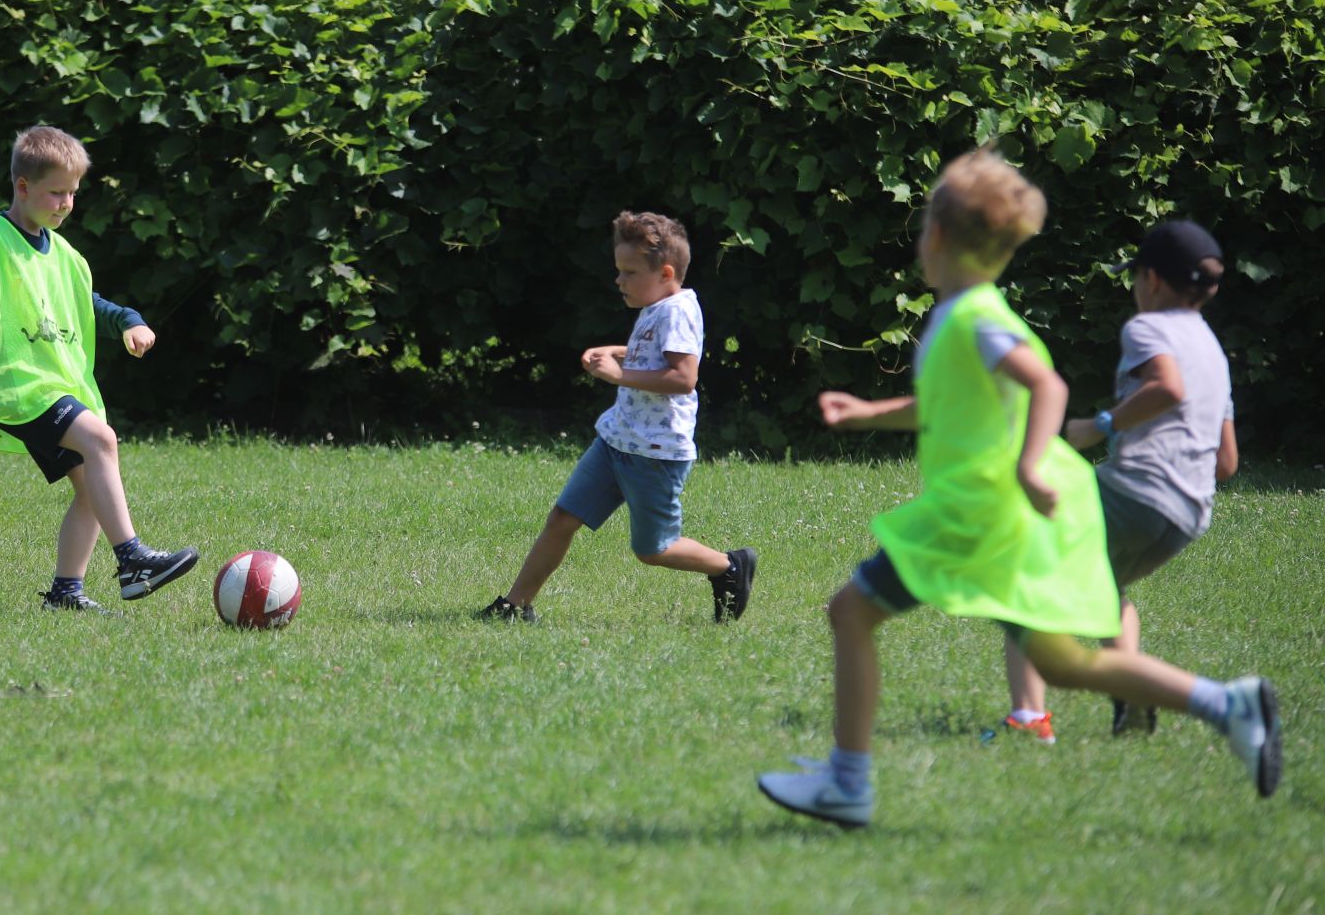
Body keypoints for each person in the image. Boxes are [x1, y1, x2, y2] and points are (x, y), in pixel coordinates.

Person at [756, 150, 1280, 829]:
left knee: (850, 612)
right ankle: (1228, 704)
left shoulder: (976, 315)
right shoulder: (966, 315)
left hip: (976, 511)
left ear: (937, 237)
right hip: (995, 517)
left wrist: (1032, 464)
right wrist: (870, 413)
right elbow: (946, 402)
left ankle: (848, 784)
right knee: (1063, 662)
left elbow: (1047, 383)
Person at [0, 125, 198, 612]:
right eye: (56, 192)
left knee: (91, 489)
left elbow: (89, 303)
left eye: (73, 193)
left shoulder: (68, 257)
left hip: (53, 386)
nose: (66, 203)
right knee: (102, 441)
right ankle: (132, 560)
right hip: (14, 387)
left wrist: (129, 320)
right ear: (23, 187)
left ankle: (66, 593)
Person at [1002, 220, 1239, 743]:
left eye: (1135, 277)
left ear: (1151, 280)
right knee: (1107, 589)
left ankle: (1027, 717)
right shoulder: (1214, 352)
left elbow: (1168, 388)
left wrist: (1100, 425)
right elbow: (1227, 463)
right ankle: (1132, 698)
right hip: (1188, 514)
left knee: (1023, 560)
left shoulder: (1147, 328)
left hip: (1139, 490)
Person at [476, 211, 755, 623]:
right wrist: (617, 351)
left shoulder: (677, 311)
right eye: (618, 271)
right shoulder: (657, 305)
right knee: (562, 518)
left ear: (664, 272)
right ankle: (515, 606)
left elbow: (683, 377)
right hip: (616, 441)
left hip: (654, 454)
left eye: (628, 272)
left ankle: (728, 567)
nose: (619, 281)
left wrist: (619, 374)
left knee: (654, 549)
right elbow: (656, 355)